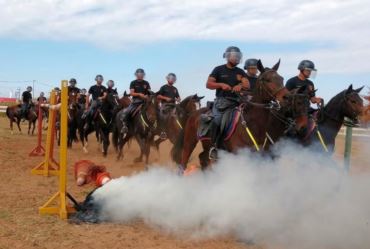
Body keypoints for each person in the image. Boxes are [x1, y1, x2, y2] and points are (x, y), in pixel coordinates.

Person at [206, 46, 250, 159]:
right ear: (228, 56)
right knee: (218, 120)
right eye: (235, 56)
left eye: (238, 57)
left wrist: (240, 85)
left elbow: (247, 85)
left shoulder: (240, 72)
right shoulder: (218, 69)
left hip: (236, 102)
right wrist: (220, 85)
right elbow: (208, 84)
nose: (237, 59)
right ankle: (214, 147)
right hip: (221, 102)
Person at [119, 68, 151, 133]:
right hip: (136, 101)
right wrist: (139, 94)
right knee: (127, 112)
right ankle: (125, 126)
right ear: (136, 75)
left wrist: (147, 96)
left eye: (141, 74)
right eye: (138, 74)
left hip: (145, 101)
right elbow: (131, 93)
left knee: (155, 111)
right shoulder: (133, 82)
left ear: (143, 75)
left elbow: (149, 92)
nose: (140, 75)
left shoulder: (146, 83)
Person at [157, 73, 181, 139]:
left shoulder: (175, 89)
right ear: (168, 79)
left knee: (181, 113)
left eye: (173, 79)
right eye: (171, 79)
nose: (172, 80)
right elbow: (158, 95)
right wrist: (166, 98)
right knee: (163, 115)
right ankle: (163, 132)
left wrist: (178, 99)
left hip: (173, 105)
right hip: (165, 105)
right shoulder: (163, 87)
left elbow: (178, 97)